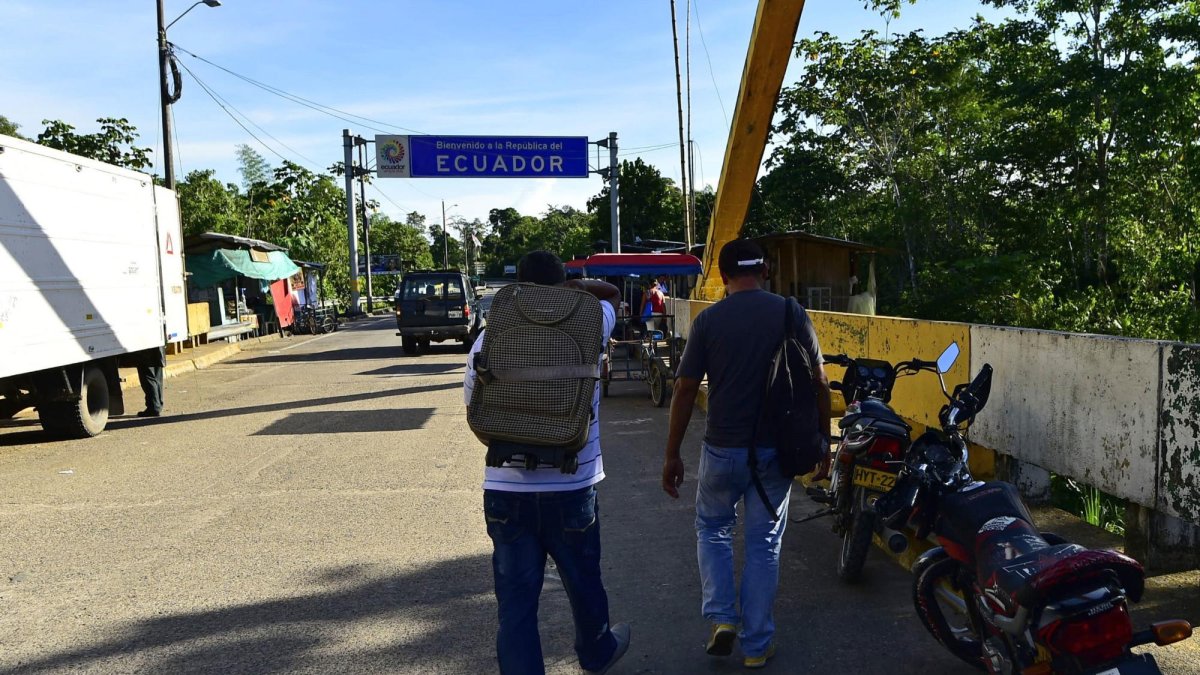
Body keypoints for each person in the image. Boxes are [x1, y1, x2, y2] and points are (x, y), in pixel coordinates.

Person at [660, 239, 831, 669]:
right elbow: (821, 382)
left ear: (723, 276)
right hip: (777, 451)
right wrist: (822, 442)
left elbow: (684, 388)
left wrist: (672, 454)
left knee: (713, 529)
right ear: (766, 270)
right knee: (763, 544)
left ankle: (722, 618)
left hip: (722, 450)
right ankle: (756, 646)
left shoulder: (709, 320)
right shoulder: (791, 313)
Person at [464, 250, 631, 675]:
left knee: (516, 602)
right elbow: (612, 293)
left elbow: (475, 410)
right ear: (564, 285)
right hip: (572, 486)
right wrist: (577, 289)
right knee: (584, 581)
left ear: (517, 287)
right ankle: (596, 652)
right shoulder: (592, 324)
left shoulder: (488, 339)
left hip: (505, 488)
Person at [136, 345, 165, 417]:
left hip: (145, 347)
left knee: (148, 376)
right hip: (158, 346)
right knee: (157, 376)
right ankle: (157, 405)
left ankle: (153, 406)